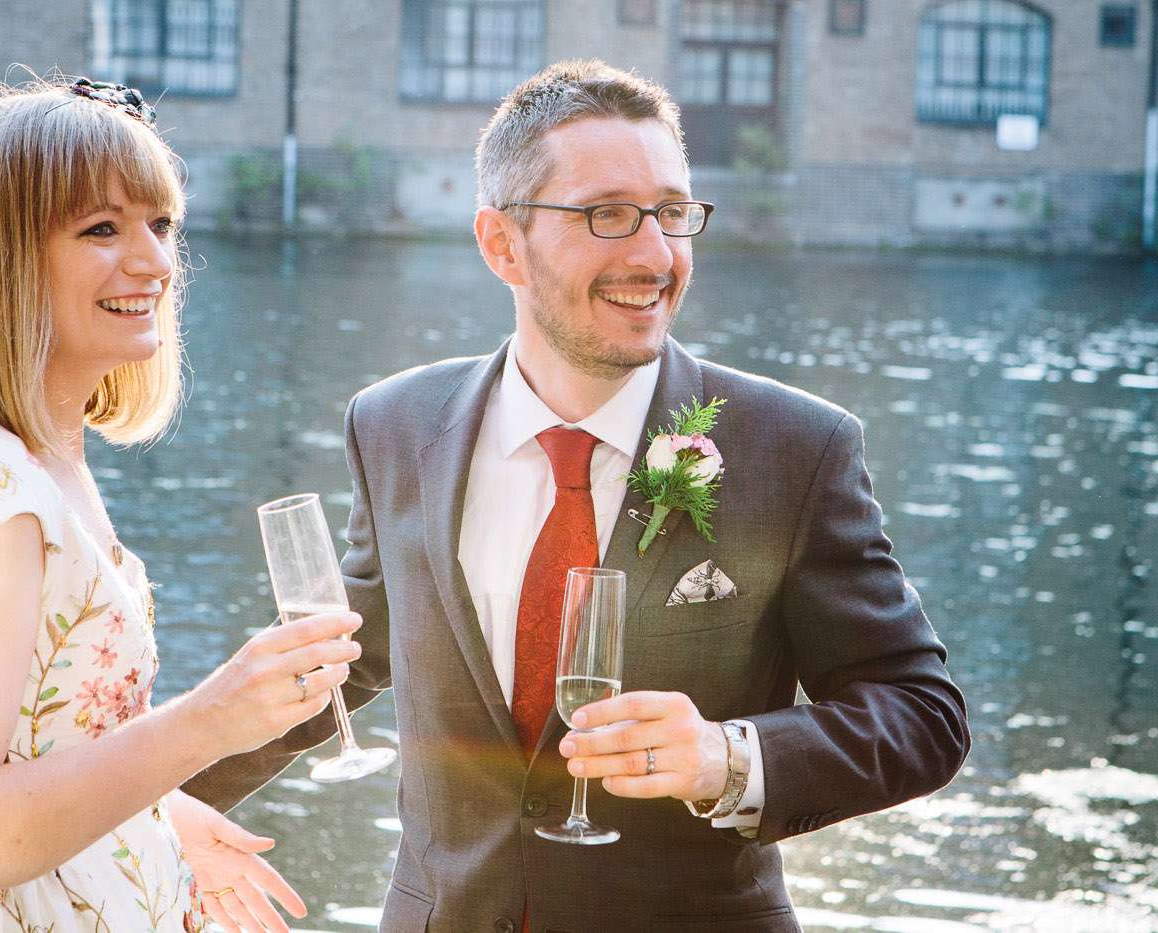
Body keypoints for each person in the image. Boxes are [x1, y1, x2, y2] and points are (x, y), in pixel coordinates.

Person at [184, 60, 969, 931]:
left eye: (672, 212)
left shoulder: (797, 447)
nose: (656, 255)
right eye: (608, 215)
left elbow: (923, 716)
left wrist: (725, 756)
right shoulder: (394, 423)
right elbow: (346, 653)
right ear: (502, 244)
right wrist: (141, 800)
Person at [0, 78, 363, 932]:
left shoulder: (18, 450)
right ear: (2, 256)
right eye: (102, 229)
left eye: (161, 224)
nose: (157, 262)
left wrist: (157, 814)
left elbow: (32, 746)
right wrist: (208, 722)